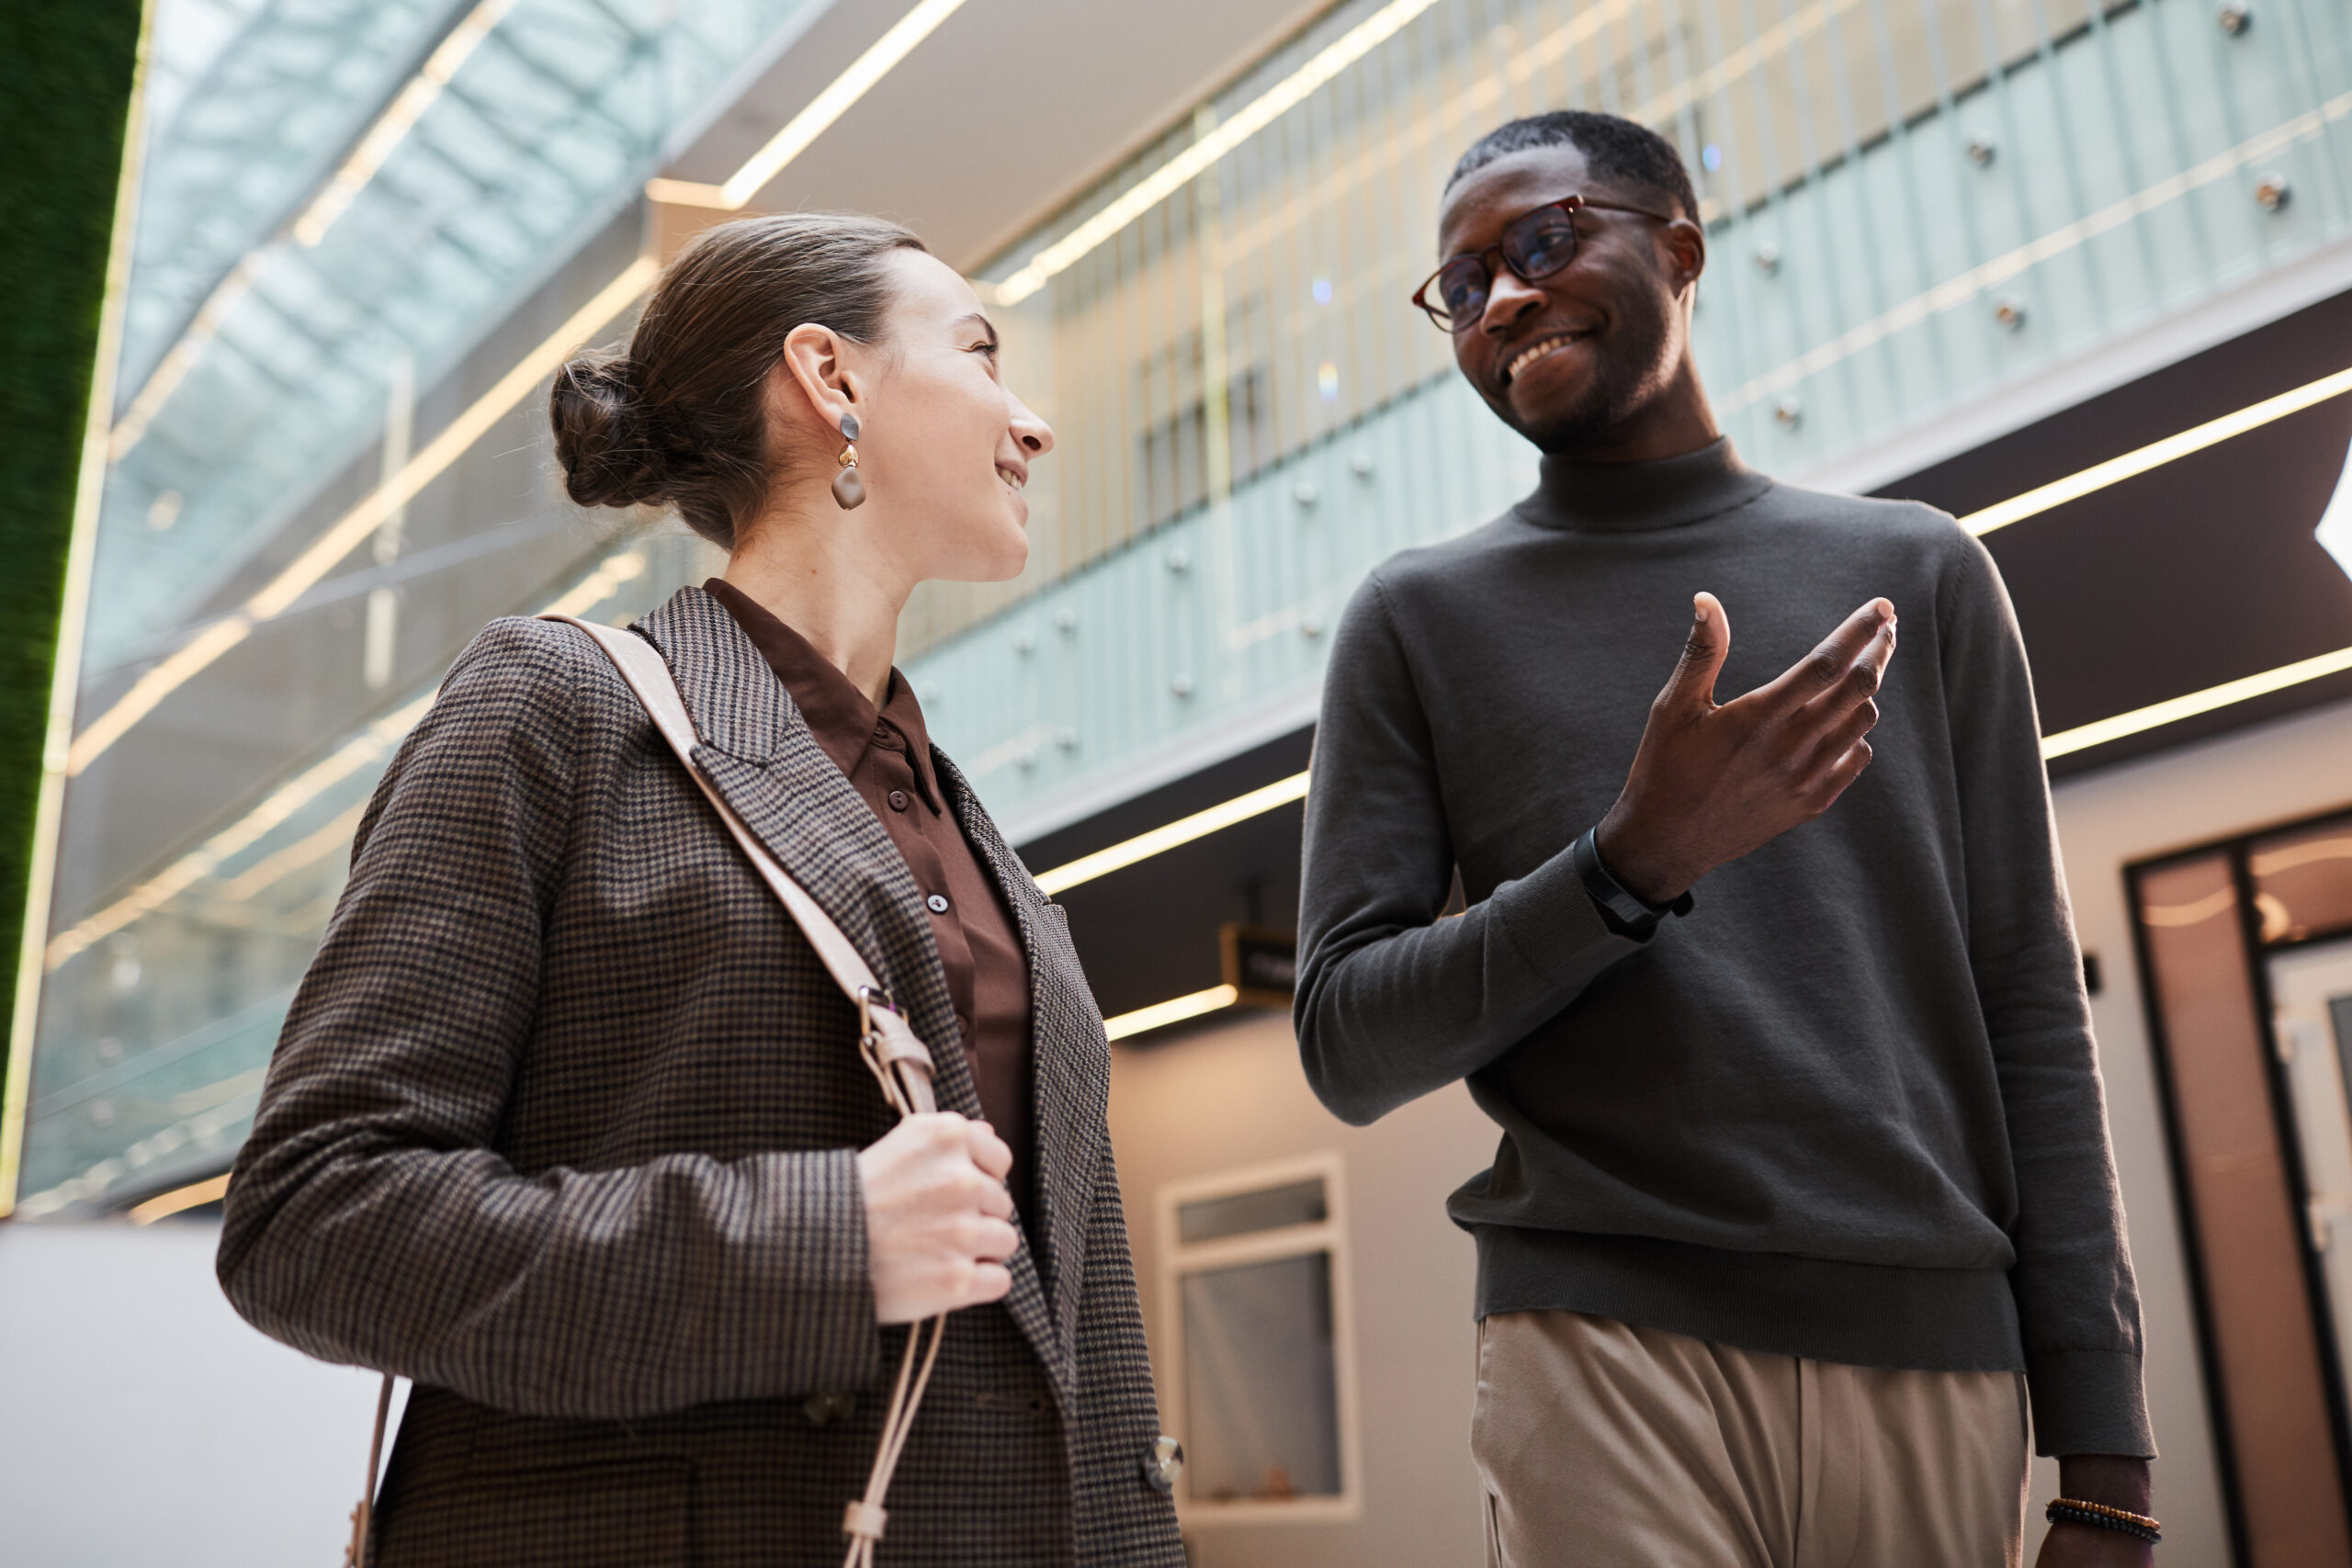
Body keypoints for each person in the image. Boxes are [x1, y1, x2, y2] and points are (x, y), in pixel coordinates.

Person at [218, 213, 1185, 1568]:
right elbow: (312, 1218)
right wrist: (824, 1244)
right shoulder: (554, 707)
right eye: (979, 354)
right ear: (829, 378)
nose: (1032, 423)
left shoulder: (966, 829)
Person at [1295, 111, 2155, 1567]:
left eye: (1542, 242)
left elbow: (2030, 1010)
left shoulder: (1919, 573)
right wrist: (1625, 865)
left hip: (1933, 1346)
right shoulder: (1415, 619)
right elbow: (1347, 1042)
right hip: (1599, 1346)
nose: (1500, 299)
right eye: (1460, 285)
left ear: (1679, 250)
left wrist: (2107, 1453)